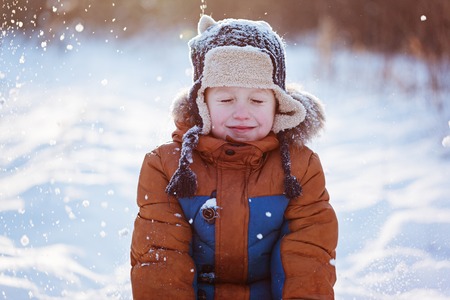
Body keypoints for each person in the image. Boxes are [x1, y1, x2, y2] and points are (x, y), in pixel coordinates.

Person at [130, 15, 338, 300]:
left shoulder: (301, 169)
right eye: (226, 100)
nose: (242, 113)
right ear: (202, 104)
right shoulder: (167, 166)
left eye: (257, 100)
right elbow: (161, 256)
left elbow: (308, 254)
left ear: (277, 105)